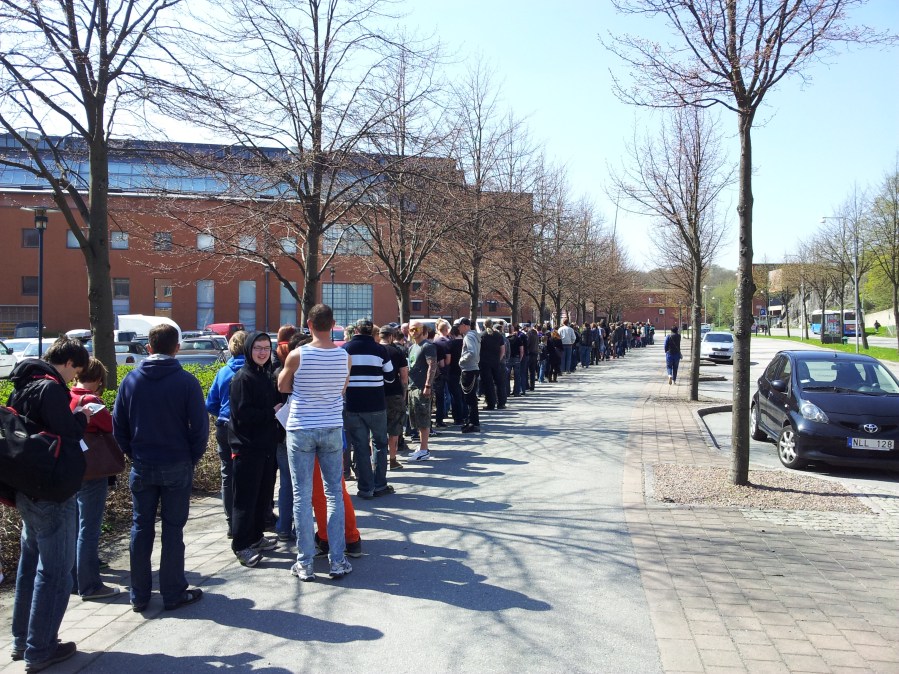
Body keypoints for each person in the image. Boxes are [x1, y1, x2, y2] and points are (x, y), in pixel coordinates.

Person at [8, 336, 91, 671]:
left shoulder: (22, 385)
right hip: (52, 491)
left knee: (29, 566)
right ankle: (40, 648)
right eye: (75, 372)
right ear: (69, 362)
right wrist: (81, 416)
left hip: (26, 488)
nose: (74, 379)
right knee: (56, 573)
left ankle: (22, 640)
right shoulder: (51, 389)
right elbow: (69, 434)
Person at [113, 323, 208, 612]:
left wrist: (133, 452)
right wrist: (191, 458)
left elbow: (119, 426)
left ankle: (139, 595)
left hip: (143, 462)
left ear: (148, 347)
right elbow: (200, 428)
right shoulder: (187, 382)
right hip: (177, 462)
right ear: (177, 348)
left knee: (141, 527)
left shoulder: (130, 380)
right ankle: (172, 592)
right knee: (173, 529)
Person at [278, 303, 352, 581]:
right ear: (332, 325)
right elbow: (342, 389)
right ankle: (337, 560)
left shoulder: (298, 355)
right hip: (331, 425)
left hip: (301, 427)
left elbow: (282, 386)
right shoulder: (344, 356)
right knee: (334, 493)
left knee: (302, 494)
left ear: (309, 324)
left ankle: (305, 562)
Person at [69, 358, 122, 601]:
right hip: (93, 470)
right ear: (99, 379)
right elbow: (111, 427)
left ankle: (72, 579)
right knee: (88, 529)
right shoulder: (92, 402)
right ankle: (89, 584)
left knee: (73, 526)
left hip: (71, 469)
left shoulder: (67, 396)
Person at [229, 332, 280, 567]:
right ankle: (241, 545)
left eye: (266, 348)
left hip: (265, 447)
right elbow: (242, 415)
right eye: (257, 348)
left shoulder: (264, 374)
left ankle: (256, 536)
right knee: (245, 500)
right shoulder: (243, 378)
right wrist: (271, 412)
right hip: (247, 448)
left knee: (263, 496)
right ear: (249, 350)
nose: (262, 352)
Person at [342, 317, 395, 499]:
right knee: (380, 444)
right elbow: (390, 378)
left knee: (360, 446)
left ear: (356, 331)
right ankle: (380, 484)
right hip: (376, 404)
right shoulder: (380, 350)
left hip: (354, 404)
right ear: (371, 331)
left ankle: (365, 487)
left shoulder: (345, 349)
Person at [205, 330, 247, 538]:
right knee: (248, 476)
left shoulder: (223, 372)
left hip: (224, 426)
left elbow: (210, 403)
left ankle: (231, 522)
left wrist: (223, 414)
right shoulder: (253, 372)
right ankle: (246, 523)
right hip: (246, 429)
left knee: (227, 475)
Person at [406, 320, 438, 461]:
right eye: (411, 329)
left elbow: (432, 366)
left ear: (423, 331)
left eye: (416, 329)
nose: (413, 332)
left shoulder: (428, 346)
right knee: (416, 419)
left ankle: (424, 450)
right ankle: (421, 447)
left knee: (423, 419)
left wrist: (428, 385)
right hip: (412, 386)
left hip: (422, 387)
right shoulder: (412, 347)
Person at [378, 325, 409, 469]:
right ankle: (393, 459)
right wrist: (404, 393)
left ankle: (377, 459)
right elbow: (404, 376)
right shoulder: (397, 351)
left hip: (377, 394)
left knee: (376, 430)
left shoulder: (375, 350)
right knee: (394, 428)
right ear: (391, 336)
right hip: (394, 393)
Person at [456, 318, 481, 433]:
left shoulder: (468, 336)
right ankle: (473, 422)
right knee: (471, 398)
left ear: (465, 325)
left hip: (469, 369)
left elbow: (472, 352)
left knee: (469, 398)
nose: (458, 328)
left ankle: (473, 423)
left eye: (459, 325)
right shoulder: (473, 335)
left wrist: (461, 360)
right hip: (472, 368)